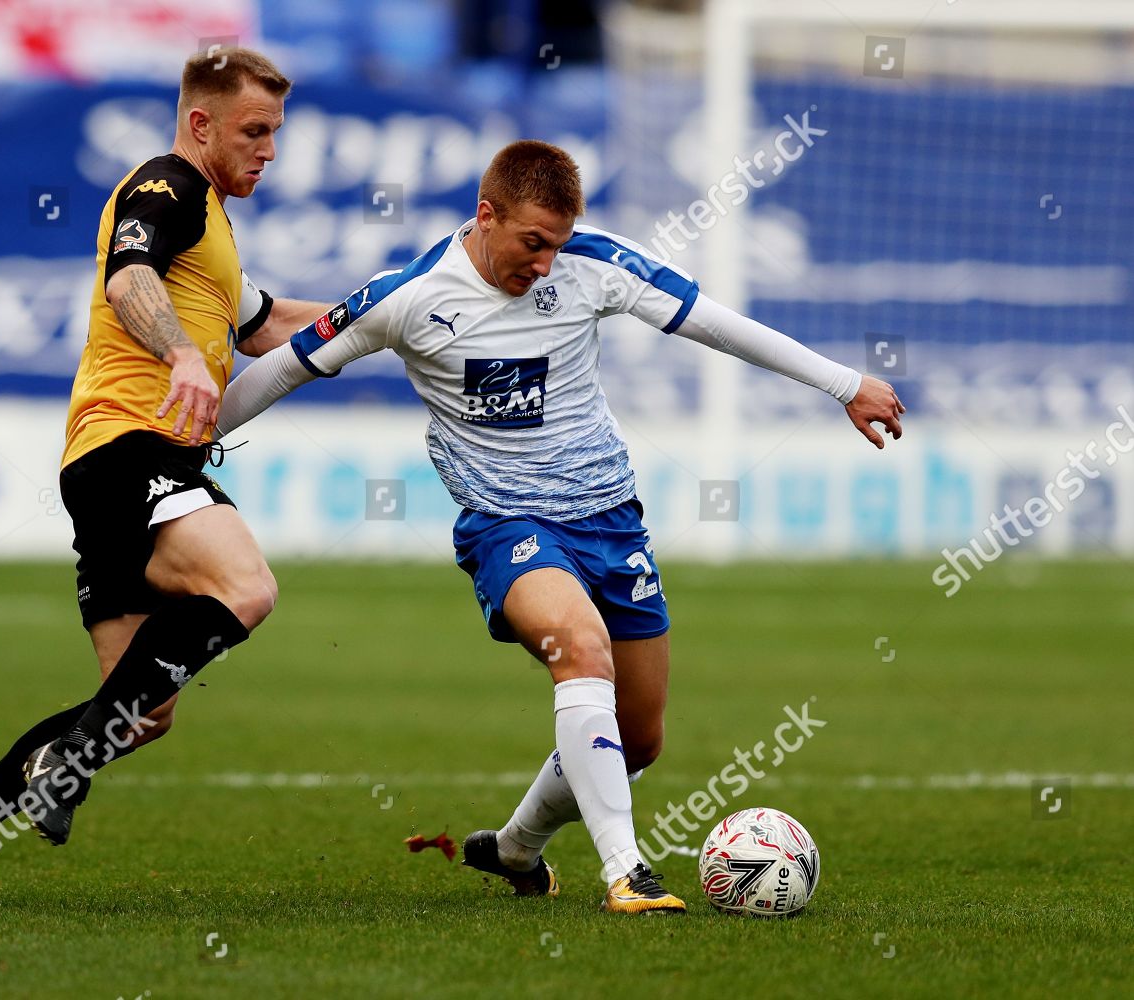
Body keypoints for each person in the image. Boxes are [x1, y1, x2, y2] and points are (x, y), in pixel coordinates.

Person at [215, 139, 904, 914]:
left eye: (558, 246)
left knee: (641, 738)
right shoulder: (405, 298)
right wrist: (183, 444)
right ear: (486, 215)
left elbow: (715, 325)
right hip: (507, 525)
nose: (545, 264)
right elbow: (279, 367)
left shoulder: (594, 263)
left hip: (612, 523)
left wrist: (844, 384)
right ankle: (627, 873)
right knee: (581, 649)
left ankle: (516, 848)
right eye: (532, 243)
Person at [0, 46, 333, 905]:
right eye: (254, 130)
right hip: (128, 447)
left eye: (276, 132)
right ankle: (65, 761)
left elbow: (264, 324)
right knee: (246, 585)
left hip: (116, 465)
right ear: (201, 123)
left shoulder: (210, 224)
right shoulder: (165, 186)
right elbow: (128, 275)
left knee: (139, 711)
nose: (269, 149)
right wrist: (179, 353)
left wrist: (383, 316)